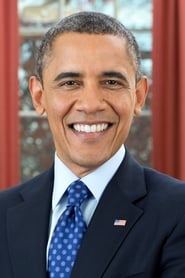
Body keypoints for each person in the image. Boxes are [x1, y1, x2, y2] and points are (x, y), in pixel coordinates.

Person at [1, 11, 185, 278]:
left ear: (139, 96)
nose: (90, 104)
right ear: (39, 97)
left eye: (111, 82)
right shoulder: (3, 213)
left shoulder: (178, 212)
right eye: (70, 83)